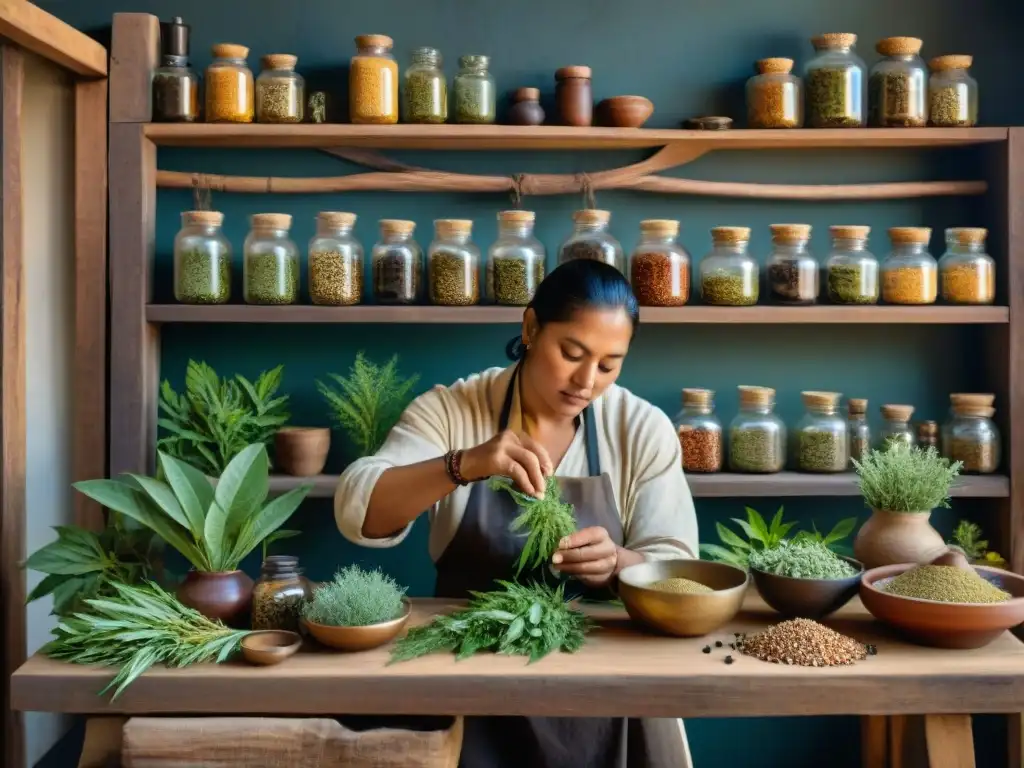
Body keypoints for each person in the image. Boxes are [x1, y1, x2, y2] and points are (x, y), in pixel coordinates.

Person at [335, 258, 699, 768]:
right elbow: (361, 509)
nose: (586, 381)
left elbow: (677, 567)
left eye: (608, 364)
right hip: (466, 678)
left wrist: (618, 563)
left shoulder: (639, 427)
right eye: (571, 353)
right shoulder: (453, 410)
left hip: (606, 689)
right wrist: (464, 464)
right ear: (530, 328)